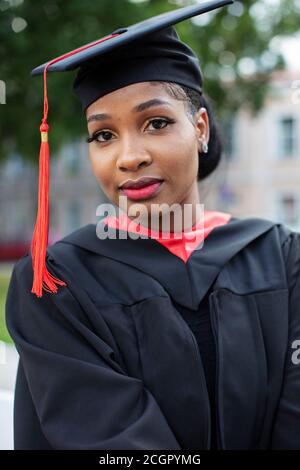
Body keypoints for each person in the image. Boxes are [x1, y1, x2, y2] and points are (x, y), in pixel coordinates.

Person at [5, 0, 300, 450]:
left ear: (200, 128)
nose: (128, 157)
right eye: (103, 135)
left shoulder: (282, 257)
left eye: (156, 123)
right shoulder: (55, 284)